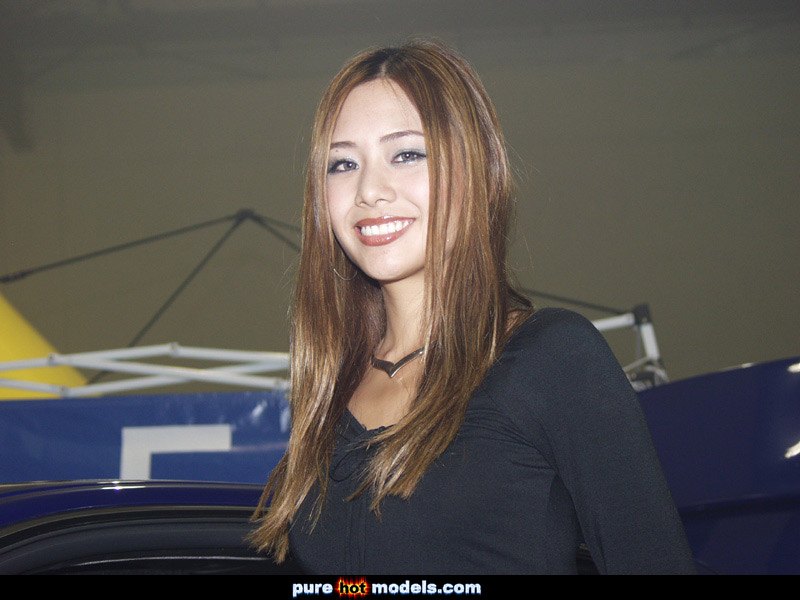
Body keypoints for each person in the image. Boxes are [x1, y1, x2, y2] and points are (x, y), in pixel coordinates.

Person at [250, 39, 695, 575]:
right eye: (342, 163)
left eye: (406, 154)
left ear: (474, 170)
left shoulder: (551, 359)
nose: (369, 190)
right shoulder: (330, 385)